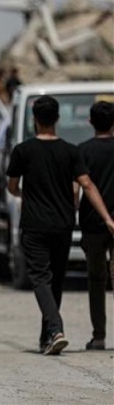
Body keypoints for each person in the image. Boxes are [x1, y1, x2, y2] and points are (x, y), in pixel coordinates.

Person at [6, 95, 114, 355]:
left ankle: (55, 330)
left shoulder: (22, 151)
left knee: (41, 278)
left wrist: (24, 194)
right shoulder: (70, 151)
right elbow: (86, 185)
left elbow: (12, 186)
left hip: (35, 224)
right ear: (57, 119)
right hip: (62, 225)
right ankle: (47, 337)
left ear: (34, 120)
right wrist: (107, 218)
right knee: (55, 280)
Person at [78, 100, 114, 351]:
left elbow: (76, 188)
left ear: (90, 122)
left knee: (96, 280)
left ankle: (99, 335)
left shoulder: (82, 151)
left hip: (92, 222)